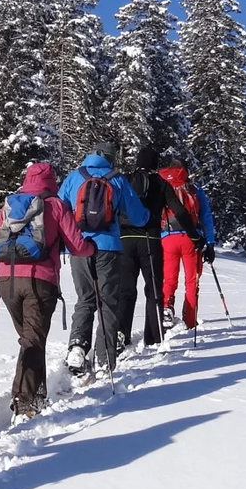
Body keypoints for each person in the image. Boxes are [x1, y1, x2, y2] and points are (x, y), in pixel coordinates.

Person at [0, 161, 91, 416]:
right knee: (32, 339)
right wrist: (92, 249)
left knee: (30, 338)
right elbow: (77, 245)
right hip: (40, 281)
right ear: (51, 180)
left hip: (7, 280)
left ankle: (37, 394)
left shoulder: (10, 204)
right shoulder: (56, 205)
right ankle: (25, 401)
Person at [57, 146, 148, 374]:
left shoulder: (74, 177)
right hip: (108, 247)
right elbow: (138, 217)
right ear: (111, 159)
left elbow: (59, 211)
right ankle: (105, 358)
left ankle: (77, 348)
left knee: (85, 299)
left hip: (79, 247)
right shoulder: (117, 179)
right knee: (107, 303)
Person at [115, 144, 204, 351]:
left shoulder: (124, 180)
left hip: (125, 239)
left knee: (126, 290)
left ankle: (121, 334)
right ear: (155, 164)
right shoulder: (160, 183)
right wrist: (194, 235)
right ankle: (153, 337)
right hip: (150, 240)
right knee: (154, 290)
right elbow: (179, 212)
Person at [159, 158, 216, 334]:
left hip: (167, 237)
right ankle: (190, 319)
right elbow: (206, 217)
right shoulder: (194, 189)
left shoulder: (162, 186)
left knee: (169, 278)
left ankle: (167, 307)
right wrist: (210, 243)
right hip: (192, 239)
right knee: (192, 280)